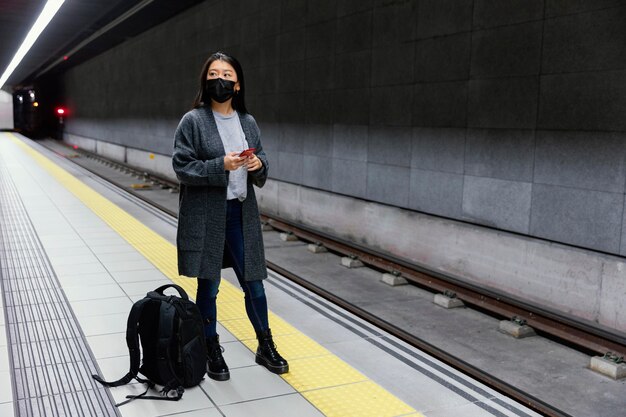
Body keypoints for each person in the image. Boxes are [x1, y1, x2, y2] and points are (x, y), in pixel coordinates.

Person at [172, 51, 288, 381]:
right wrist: (218, 166)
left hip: (240, 212)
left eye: (225, 74)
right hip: (207, 215)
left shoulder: (247, 122)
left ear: (237, 84)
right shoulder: (192, 121)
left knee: (255, 282)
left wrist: (258, 165)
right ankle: (211, 348)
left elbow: (262, 158)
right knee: (209, 286)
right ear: (205, 82)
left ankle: (265, 345)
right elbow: (181, 167)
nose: (219, 80)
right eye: (212, 75)